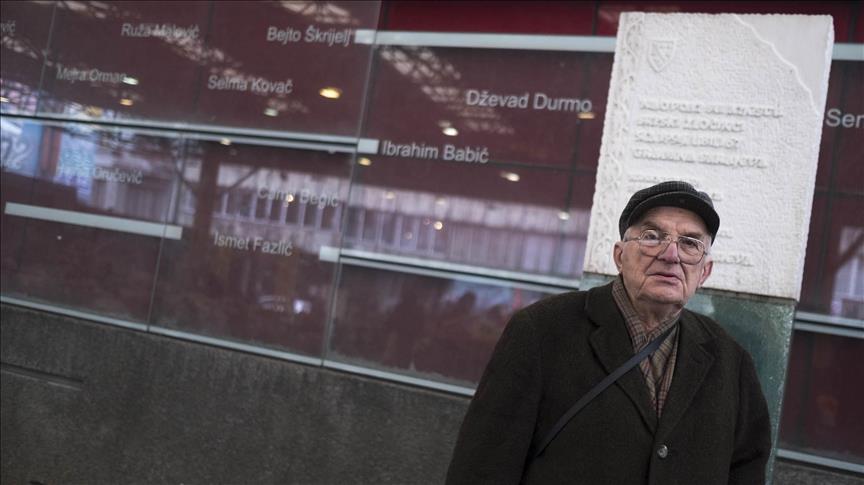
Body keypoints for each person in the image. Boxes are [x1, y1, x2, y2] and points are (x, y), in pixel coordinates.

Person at [446, 181, 771, 485]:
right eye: (652, 236)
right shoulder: (542, 331)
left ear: (704, 272)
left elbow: (747, 469)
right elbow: (482, 464)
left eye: (690, 243)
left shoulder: (730, 360)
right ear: (619, 256)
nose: (671, 255)